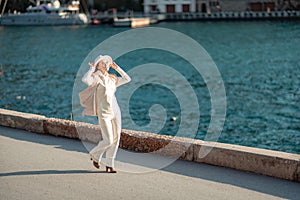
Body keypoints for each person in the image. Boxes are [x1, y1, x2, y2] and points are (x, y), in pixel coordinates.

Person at [80, 55, 131, 173]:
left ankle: (110, 164)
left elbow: (127, 79)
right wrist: (91, 69)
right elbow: (85, 80)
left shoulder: (112, 78)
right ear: (98, 65)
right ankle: (94, 154)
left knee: (116, 138)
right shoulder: (95, 78)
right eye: (103, 63)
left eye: (107, 63)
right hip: (104, 113)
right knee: (108, 140)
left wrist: (117, 68)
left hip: (115, 111)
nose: (106, 65)